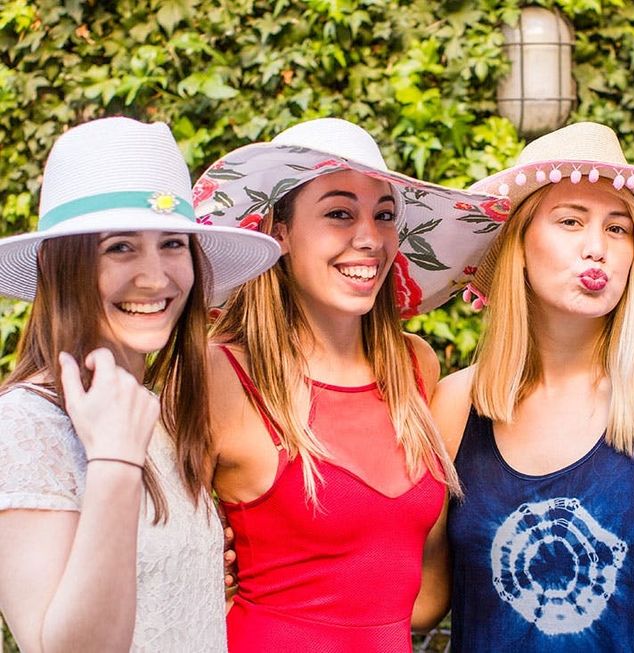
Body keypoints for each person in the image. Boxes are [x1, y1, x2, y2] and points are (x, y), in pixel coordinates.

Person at [192, 117, 506, 652]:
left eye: (384, 215)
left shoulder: (414, 367)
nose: (369, 238)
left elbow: (422, 596)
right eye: (339, 213)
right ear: (278, 232)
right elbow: (156, 563)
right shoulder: (217, 373)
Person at [417, 122, 634, 652]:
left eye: (618, 228)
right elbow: (422, 602)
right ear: (518, 243)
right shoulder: (454, 407)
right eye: (570, 221)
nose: (596, 248)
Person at [0, 117, 280, 652]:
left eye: (172, 244)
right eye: (120, 248)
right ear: (59, 267)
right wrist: (114, 462)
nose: (155, 278)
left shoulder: (155, 412)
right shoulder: (25, 424)